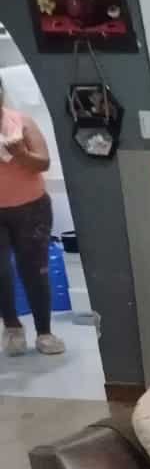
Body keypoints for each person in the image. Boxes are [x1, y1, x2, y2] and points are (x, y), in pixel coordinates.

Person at [0, 80, 63, 357]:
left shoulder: (21, 123)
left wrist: (21, 154)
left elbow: (44, 162)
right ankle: (12, 328)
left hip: (31, 209)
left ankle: (44, 332)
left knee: (35, 270)